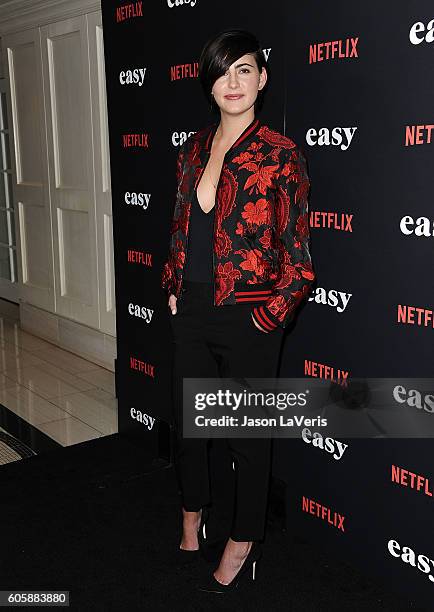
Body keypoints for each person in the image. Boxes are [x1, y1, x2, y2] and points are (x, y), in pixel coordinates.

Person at [161, 28, 315, 593]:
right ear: (209, 81)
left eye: (244, 69)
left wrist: (267, 318)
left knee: (247, 438)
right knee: (191, 430)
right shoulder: (191, 152)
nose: (233, 81)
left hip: (251, 315)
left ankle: (244, 537)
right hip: (193, 310)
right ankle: (192, 515)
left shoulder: (280, 155)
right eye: (224, 71)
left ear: (262, 79)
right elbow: (180, 228)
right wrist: (173, 284)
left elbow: (299, 262)